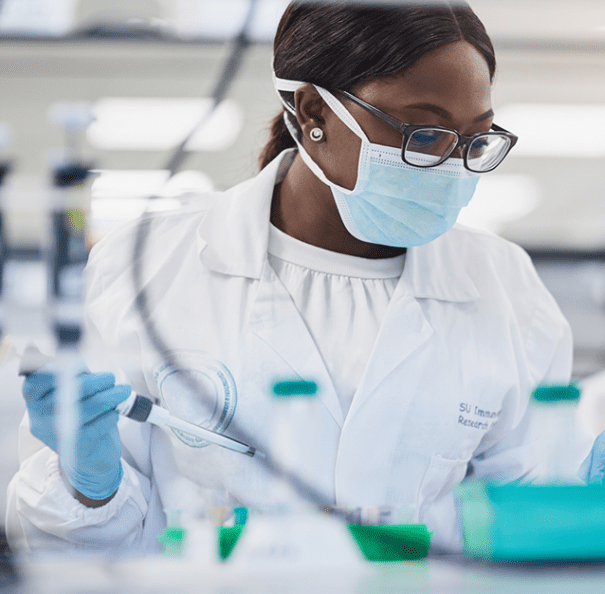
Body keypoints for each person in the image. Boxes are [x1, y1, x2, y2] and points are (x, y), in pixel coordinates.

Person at [6, 1, 575, 554]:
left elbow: (522, 525)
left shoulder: (505, 289)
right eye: (423, 135)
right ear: (312, 112)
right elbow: (77, 549)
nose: (452, 167)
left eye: (474, 141)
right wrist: (91, 485)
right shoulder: (149, 265)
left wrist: (585, 505)